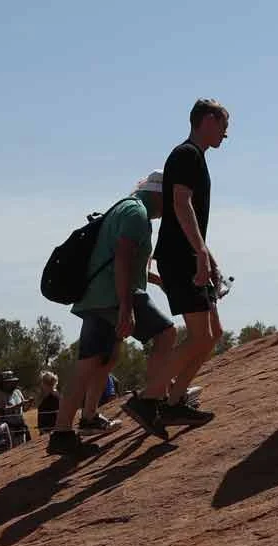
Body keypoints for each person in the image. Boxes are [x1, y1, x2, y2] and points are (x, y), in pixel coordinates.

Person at [47, 173, 183, 457]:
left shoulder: (127, 207)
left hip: (96, 296)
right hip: (116, 295)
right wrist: (125, 306)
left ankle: (72, 427)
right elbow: (122, 259)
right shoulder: (137, 213)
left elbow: (128, 261)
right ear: (159, 194)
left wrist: (159, 282)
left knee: (99, 361)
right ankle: (153, 401)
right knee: (166, 333)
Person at [153, 99, 230, 428]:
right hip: (179, 257)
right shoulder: (186, 154)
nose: (226, 134)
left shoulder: (195, 157)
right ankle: (149, 395)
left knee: (213, 334)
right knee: (200, 336)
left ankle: (173, 402)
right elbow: (181, 204)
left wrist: (209, 257)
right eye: (224, 125)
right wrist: (199, 253)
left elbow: (191, 216)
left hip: (190, 255)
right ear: (208, 120)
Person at [0, 371, 31, 445]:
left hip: (20, 425)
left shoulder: (17, 392)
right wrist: (19, 405)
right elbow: (3, 410)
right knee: (11, 449)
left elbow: (24, 409)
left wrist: (29, 403)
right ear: (2, 383)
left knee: (23, 447)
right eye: (7, 382)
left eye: (11, 382)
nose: (10, 384)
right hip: (8, 427)